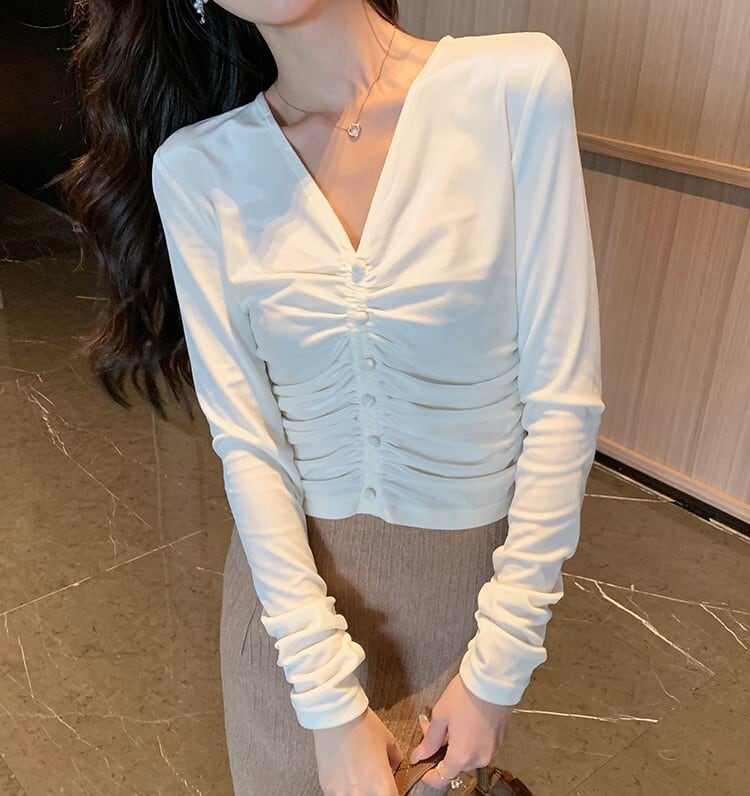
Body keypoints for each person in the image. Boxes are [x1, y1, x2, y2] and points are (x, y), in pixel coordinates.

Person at [58, 0, 605, 793]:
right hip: (290, 630)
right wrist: (327, 702)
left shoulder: (512, 86)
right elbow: (249, 445)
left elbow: (564, 402)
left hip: (467, 621)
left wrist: (498, 668)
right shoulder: (197, 168)